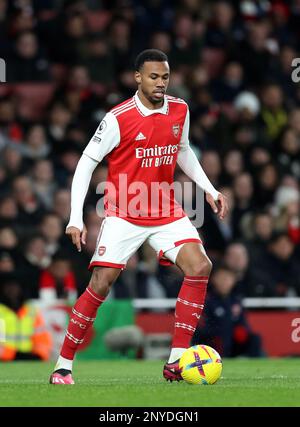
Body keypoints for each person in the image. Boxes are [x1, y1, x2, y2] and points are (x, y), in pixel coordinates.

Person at [49, 49, 228, 385]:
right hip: (123, 213)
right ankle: (62, 365)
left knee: (200, 266)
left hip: (165, 209)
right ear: (138, 78)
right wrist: (75, 218)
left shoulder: (180, 109)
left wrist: (208, 188)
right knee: (100, 285)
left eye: (165, 77)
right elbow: (87, 162)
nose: (160, 83)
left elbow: (184, 149)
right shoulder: (118, 118)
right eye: (153, 77)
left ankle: (176, 361)